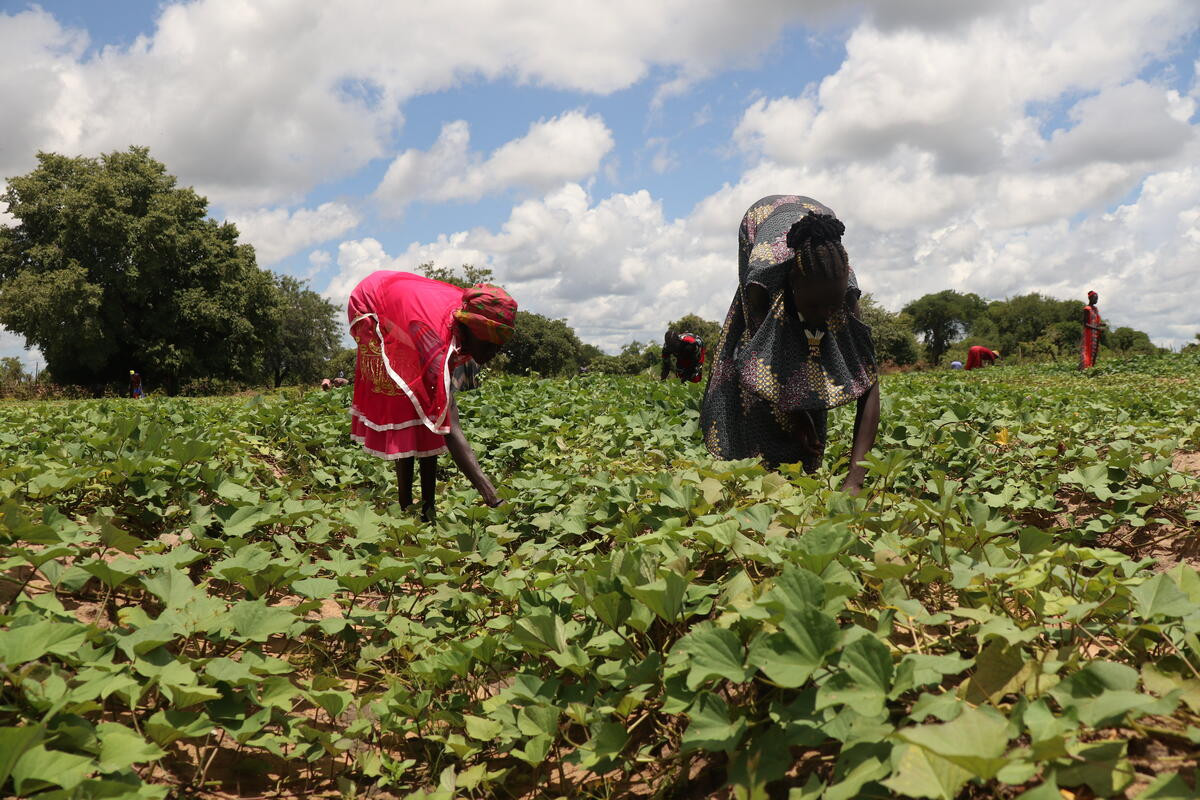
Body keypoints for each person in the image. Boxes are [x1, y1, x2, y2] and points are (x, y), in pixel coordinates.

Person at [700, 195, 880, 494]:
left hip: (819, 224)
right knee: (764, 363)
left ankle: (807, 457)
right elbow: (763, 364)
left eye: (830, 307)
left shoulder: (843, 292)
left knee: (819, 345)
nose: (824, 316)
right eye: (814, 306)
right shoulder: (763, 283)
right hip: (760, 221)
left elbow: (870, 381)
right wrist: (798, 418)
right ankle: (762, 458)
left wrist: (855, 480)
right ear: (792, 283)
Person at [347, 271, 517, 520]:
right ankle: (406, 507)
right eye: (491, 342)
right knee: (407, 406)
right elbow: (452, 430)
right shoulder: (436, 341)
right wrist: (493, 498)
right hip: (371, 303)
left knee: (430, 415)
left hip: (408, 306)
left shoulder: (470, 316)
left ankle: (428, 509)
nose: (496, 351)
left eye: (501, 343)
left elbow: (439, 421)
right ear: (473, 329)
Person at [1080, 290, 1103, 369]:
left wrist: (1101, 325)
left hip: (1095, 334)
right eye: (1095, 298)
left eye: (1097, 298)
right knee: (1087, 351)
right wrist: (1096, 328)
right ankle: (1085, 368)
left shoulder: (1095, 309)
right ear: (1090, 298)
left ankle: (1091, 367)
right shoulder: (1087, 309)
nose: (1096, 300)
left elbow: (1095, 321)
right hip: (1089, 334)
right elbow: (1085, 324)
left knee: (1094, 351)